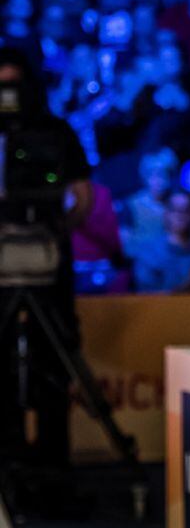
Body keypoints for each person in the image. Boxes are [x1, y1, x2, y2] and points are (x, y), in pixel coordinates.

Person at [0, 47, 93, 470]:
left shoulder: (55, 133)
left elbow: (83, 197)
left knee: (54, 365)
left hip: (49, 266)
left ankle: (54, 472)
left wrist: (55, 229)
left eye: (13, 86)